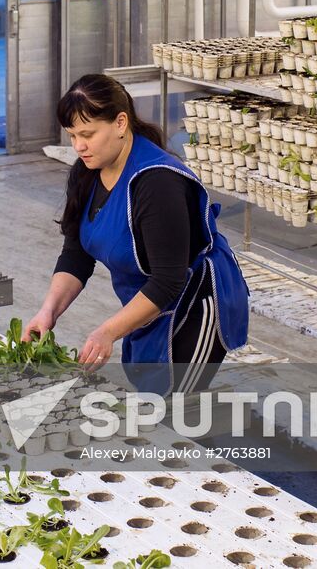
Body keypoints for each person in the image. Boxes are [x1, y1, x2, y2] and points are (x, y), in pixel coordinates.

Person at [24, 73, 250, 394]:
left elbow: (168, 281)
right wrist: (48, 313)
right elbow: (76, 255)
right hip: (146, 302)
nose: (79, 146)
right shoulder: (87, 172)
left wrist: (108, 331)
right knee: (148, 391)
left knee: (173, 405)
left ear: (120, 123)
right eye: (72, 135)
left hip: (194, 303)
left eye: (87, 134)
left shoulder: (156, 183)